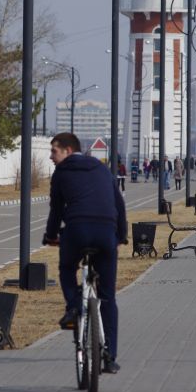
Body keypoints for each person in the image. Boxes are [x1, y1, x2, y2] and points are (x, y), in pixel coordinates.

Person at [45, 132, 127, 374]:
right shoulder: (102, 169)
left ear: (68, 151)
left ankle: (74, 308)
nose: (51, 156)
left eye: (54, 151)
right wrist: (121, 236)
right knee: (108, 298)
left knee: (67, 267)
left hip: (77, 230)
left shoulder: (61, 173)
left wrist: (51, 236)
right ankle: (110, 356)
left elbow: (56, 210)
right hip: (106, 233)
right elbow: (119, 205)